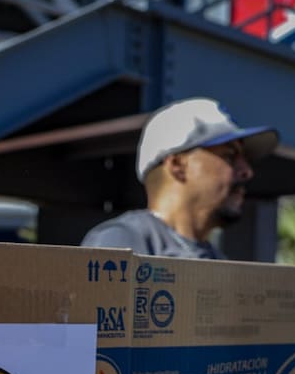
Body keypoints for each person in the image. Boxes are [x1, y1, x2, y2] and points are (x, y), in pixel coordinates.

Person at [81, 97, 278, 258]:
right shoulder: (121, 242)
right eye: (229, 156)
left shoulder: (218, 261)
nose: (246, 171)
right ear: (177, 166)